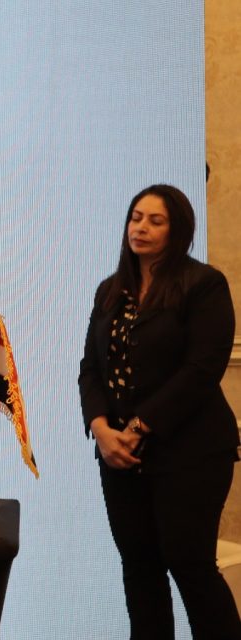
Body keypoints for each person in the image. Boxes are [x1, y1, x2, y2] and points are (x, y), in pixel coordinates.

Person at [78, 184, 241, 638]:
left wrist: (139, 426)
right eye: (136, 218)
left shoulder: (203, 285)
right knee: (140, 569)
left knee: (190, 565)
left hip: (190, 451)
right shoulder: (110, 290)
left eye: (155, 220)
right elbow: (90, 368)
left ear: (178, 230)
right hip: (119, 455)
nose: (141, 228)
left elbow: (201, 369)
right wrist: (101, 429)